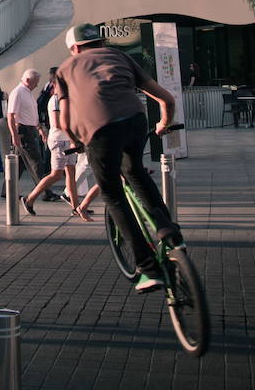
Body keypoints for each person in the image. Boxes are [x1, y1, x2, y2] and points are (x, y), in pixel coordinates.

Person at [57, 22, 180, 293]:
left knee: (113, 195)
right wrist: (162, 124)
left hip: (99, 132)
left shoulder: (66, 69)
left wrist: (78, 143)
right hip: (135, 121)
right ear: (99, 42)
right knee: (135, 171)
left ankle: (148, 269)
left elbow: (64, 122)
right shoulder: (120, 57)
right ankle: (169, 230)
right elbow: (167, 100)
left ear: (74, 48)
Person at [22, 70, 98, 220]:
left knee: (70, 175)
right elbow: (57, 124)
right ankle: (29, 199)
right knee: (56, 174)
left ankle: (76, 208)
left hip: (68, 141)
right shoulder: (55, 100)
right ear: (55, 85)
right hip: (59, 140)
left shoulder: (64, 99)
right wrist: (74, 134)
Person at [6, 69, 49, 194]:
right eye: (35, 82)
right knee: (36, 162)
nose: (37, 85)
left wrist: (39, 129)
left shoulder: (27, 92)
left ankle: (7, 190)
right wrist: (14, 135)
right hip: (23, 130)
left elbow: (32, 114)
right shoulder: (18, 92)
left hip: (30, 129)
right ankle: (44, 191)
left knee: (18, 164)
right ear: (28, 80)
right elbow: (10, 115)